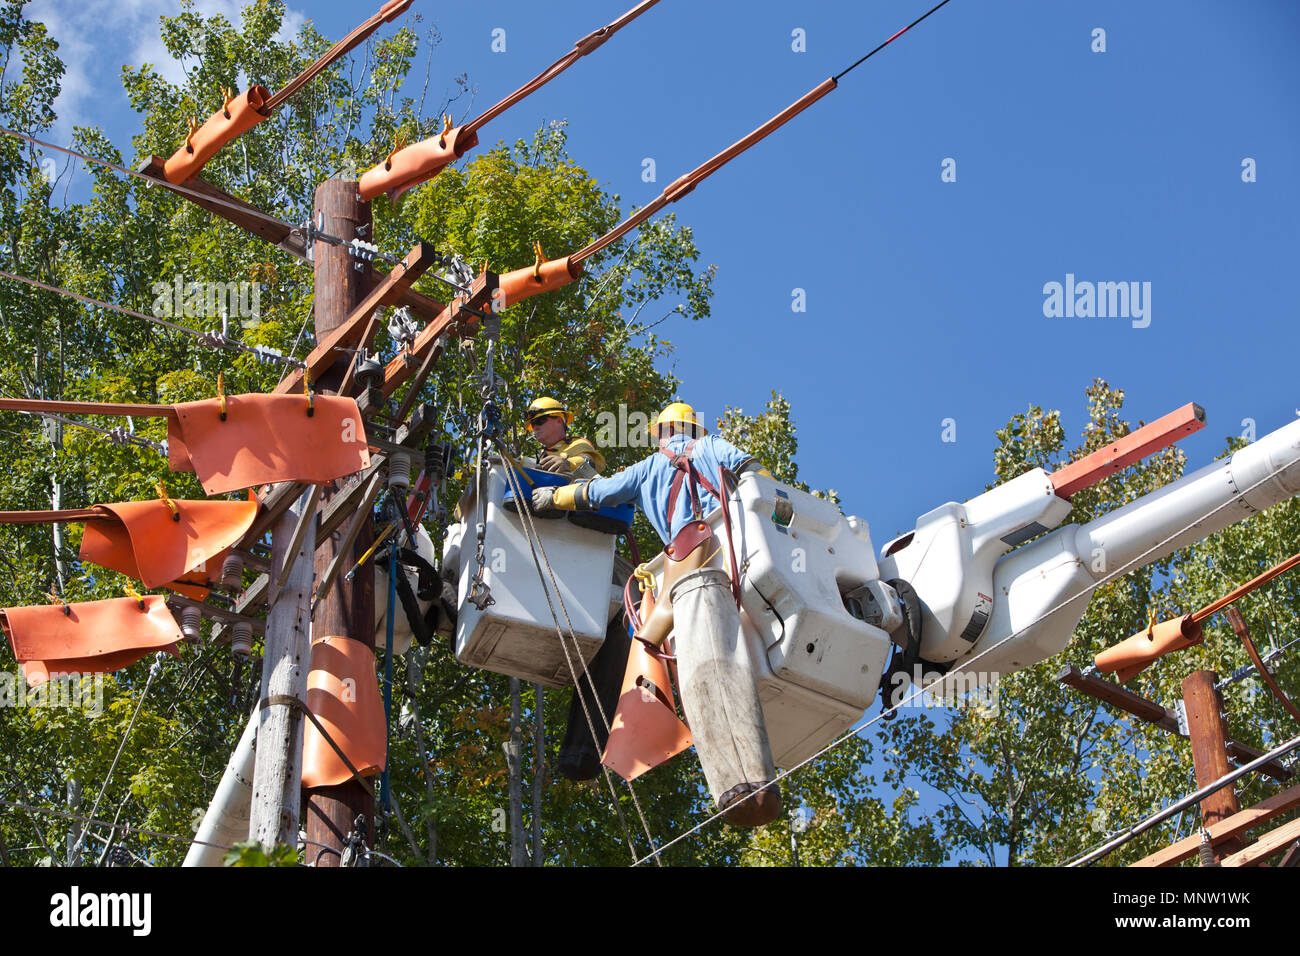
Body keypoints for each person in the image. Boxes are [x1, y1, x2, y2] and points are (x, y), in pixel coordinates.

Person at [531, 401, 782, 828]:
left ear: (661, 432)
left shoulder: (648, 467)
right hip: (729, 560)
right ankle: (749, 781)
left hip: (690, 572)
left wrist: (552, 496)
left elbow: (599, 493)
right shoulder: (714, 448)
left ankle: (736, 786)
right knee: (706, 654)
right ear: (693, 430)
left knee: (692, 662)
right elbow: (758, 478)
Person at [524, 397, 606, 478]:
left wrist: (569, 464)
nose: (535, 427)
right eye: (533, 424)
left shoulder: (577, 443)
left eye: (540, 421)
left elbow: (590, 463)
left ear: (559, 421)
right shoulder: (542, 455)